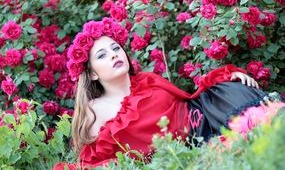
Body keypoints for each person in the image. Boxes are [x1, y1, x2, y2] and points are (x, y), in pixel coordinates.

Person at [53, 18, 284, 170]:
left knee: (268, 122)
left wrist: (227, 76)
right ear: (92, 74)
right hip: (188, 147)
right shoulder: (95, 110)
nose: (114, 55)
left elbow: (191, 97)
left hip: (210, 112)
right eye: (102, 55)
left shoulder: (146, 80)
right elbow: (97, 162)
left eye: (115, 48)